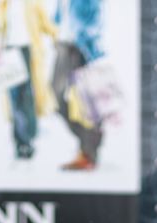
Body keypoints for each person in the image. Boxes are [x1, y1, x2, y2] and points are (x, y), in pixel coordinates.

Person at [0, 0, 55, 160]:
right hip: (9, 51)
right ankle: (20, 142)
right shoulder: (4, 3)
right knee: (14, 98)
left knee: (28, 97)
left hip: (28, 51)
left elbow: (46, 23)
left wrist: (58, 35)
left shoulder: (33, 2)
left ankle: (28, 139)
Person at [52, 0, 105, 171]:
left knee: (84, 101)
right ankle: (90, 140)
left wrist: (86, 40)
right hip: (64, 45)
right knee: (55, 96)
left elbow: (97, 17)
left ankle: (88, 152)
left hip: (80, 47)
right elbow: (59, 16)